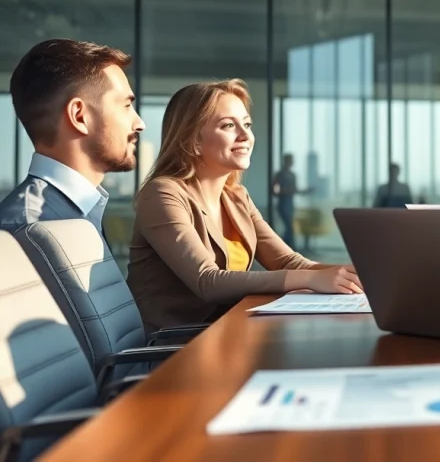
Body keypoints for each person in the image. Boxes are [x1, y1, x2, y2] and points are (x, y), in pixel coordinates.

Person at [126, 79, 361, 333]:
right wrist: (312, 279)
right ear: (193, 139)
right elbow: (208, 281)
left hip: (224, 336)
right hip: (175, 348)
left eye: (247, 124)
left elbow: (287, 261)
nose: (245, 135)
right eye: (228, 125)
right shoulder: (162, 193)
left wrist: (358, 276)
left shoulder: (236, 197)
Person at [0, 39, 145, 235]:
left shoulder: (77, 212)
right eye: (126, 106)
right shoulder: (25, 231)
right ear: (79, 116)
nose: (139, 124)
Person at [271, 153, 306, 248]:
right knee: (289, 227)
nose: (291, 162)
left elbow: (295, 190)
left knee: (290, 227)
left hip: (290, 203)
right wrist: (285, 191)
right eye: (289, 160)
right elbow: (274, 190)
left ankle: (286, 247)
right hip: (283, 203)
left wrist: (305, 191)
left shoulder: (292, 175)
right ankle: (285, 247)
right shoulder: (280, 174)